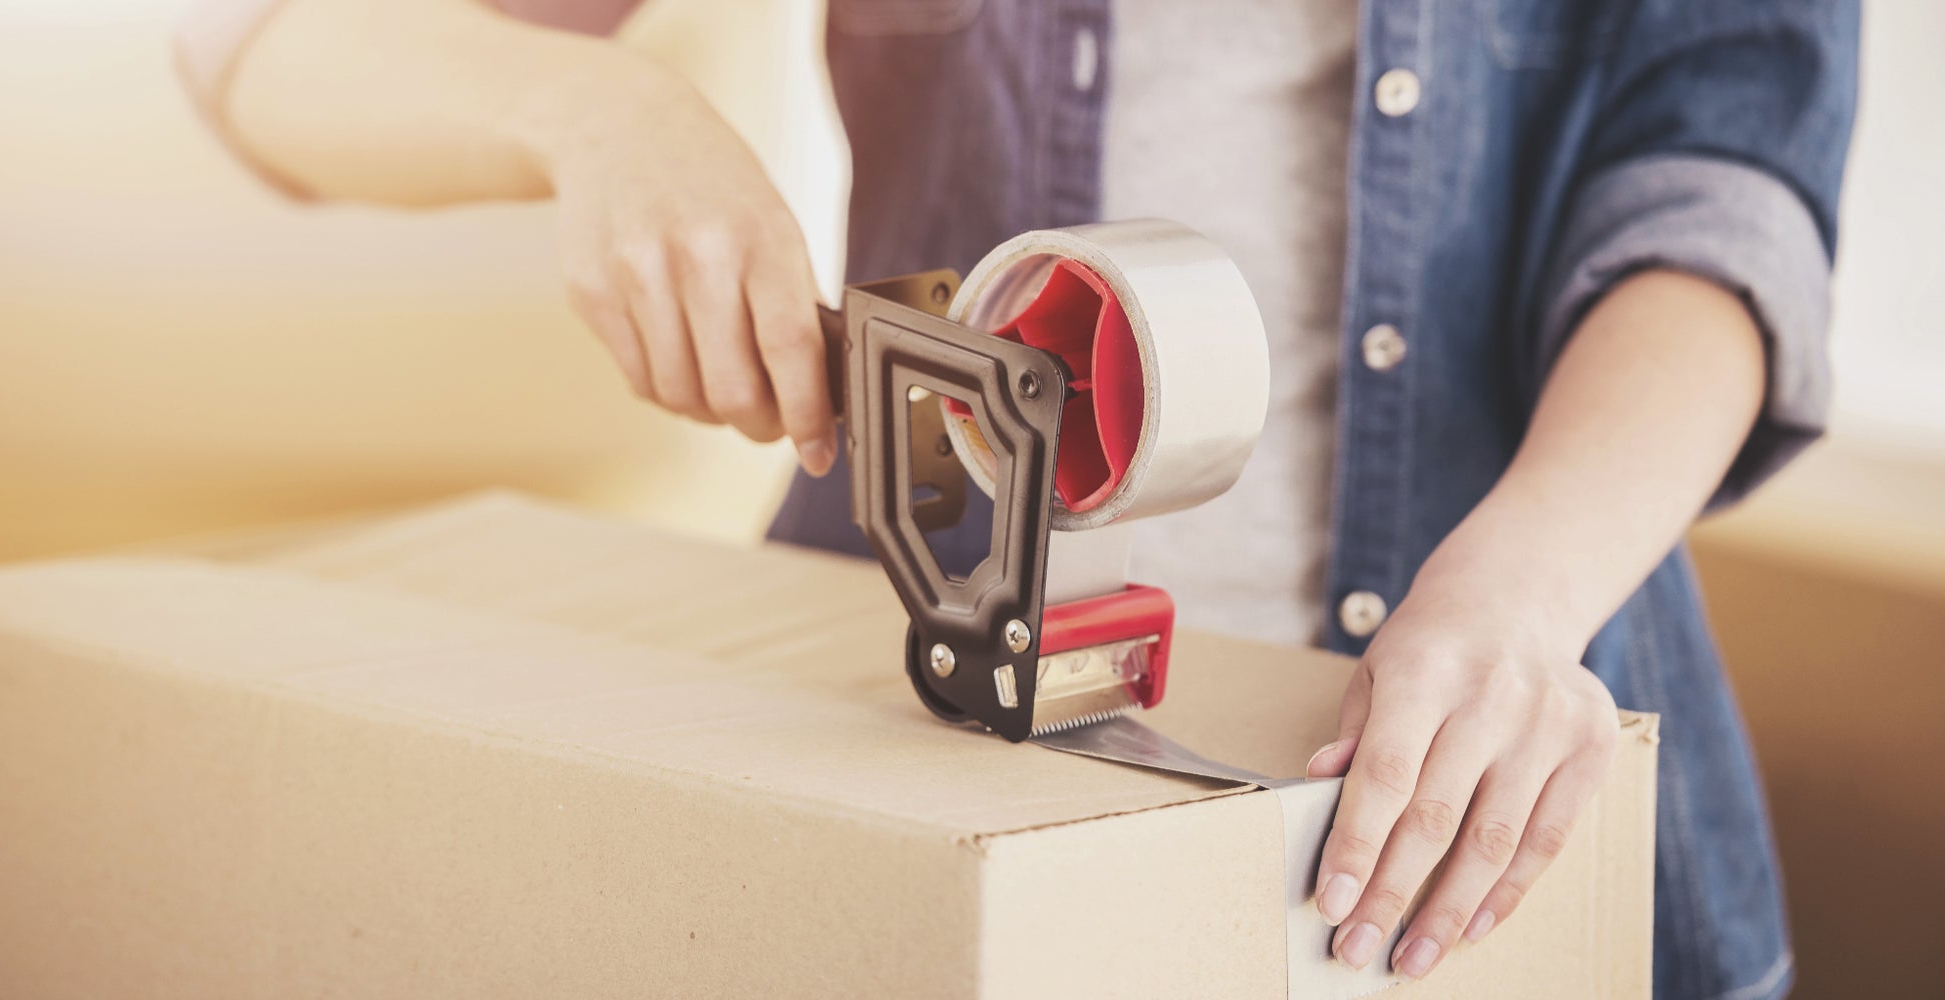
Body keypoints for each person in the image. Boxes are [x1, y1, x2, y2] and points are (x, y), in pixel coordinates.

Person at [174, 1, 1857, 994]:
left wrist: (1515, 592)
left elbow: (1720, 188)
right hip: (923, 786)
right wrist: (585, 102)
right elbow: (256, 52)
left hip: (1495, 770)